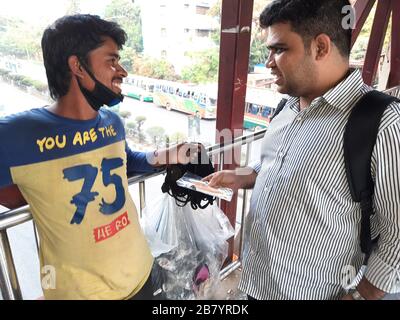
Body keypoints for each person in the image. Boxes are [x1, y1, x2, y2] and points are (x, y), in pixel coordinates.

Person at [203, 0, 400, 300]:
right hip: (255, 285)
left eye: (279, 49)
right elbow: (276, 165)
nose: (269, 61)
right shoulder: (287, 106)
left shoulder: (381, 123)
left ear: (321, 47)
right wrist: (242, 176)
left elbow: (396, 237)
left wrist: (360, 295)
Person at [0, 14, 198, 300]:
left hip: (142, 273)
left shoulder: (111, 123)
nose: (122, 71)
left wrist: (168, 154)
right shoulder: (15, 134)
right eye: (111, 61)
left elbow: (125, 162)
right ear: (77, 66)